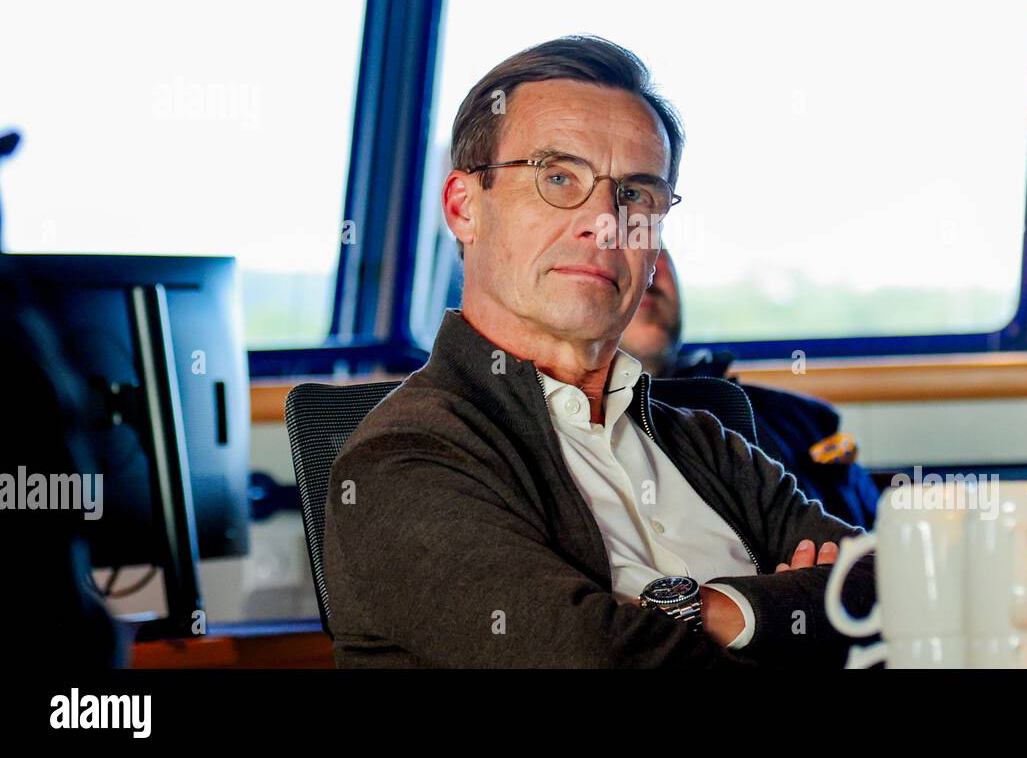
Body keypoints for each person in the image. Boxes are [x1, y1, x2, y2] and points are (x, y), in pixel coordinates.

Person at [324, 35, 876, 667]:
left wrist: (721, 611)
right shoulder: (404, 458)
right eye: (558, 178)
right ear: (464, 207)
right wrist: (788, 615)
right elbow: (593, 658)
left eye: (636, 193)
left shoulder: (704, 441)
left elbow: (892, 584)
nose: (605, 222)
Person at [621, 248, 879, 530]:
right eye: (616, 247)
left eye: (655, 246)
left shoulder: (805, 422)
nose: (646, 266)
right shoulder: (576, 442)